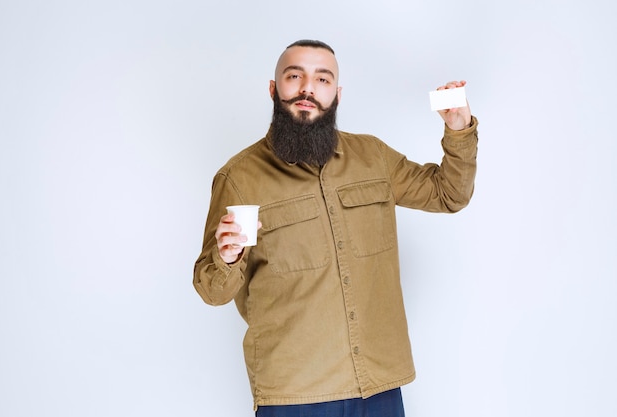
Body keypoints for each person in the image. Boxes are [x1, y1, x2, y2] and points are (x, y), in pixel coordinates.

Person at [193, 39, 478, 417]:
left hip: (379, 385)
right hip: (294, 394)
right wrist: (227, 257)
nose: (308, 88)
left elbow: (448, 194)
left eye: (322, 79)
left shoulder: (374, 157)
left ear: (337, 94)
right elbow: (212, 291)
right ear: (274, 88)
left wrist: (459, 131)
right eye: (295, 76)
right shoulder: (240, 178)